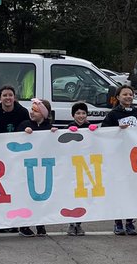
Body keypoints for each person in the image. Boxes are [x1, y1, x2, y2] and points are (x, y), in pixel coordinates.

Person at [101, 84, 137, 236]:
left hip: (134, 158)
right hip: (118, 157)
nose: (128, 97)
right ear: (118, 97)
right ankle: (118, 222)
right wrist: (117, 130)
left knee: (132, 189)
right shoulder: (113, 114)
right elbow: (104, 132)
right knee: (118, 189)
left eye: (130, 94)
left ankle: (130, 222)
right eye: (125, 94)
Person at [20, 99, 56, 237]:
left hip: (43, 168)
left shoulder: (49, 127)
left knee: (41, 198)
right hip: (27, 166)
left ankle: (40, 224)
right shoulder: (25, 125)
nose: (32, 112)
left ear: (44, 114)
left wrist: (54, 134)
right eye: (31, 110)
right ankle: (24, 225)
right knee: (27, 197)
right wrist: (24, 133)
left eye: (35, 111)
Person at [63, 102, 93, 236]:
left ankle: (79, 224)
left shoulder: (91, 128)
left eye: (83, 113)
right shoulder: (68, 127)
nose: (81, 116)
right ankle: (71, 224)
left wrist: (95, 132)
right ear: (73, 115)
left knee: (82, 194)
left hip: (86, 166)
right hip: (71, 166)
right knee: (71, 194)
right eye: (78, 113)